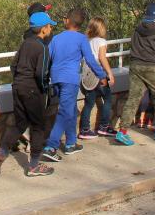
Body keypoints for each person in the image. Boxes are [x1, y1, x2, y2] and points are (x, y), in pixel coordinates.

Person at [0, 11, 56, 177]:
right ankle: (34, 166)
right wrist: (44, 89)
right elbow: (41, 74)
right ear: (43, 29)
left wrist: (19, 82)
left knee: (20, 123)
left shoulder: (25, 44)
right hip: (33, 90)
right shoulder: (42, 48)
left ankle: (2, 151)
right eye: (50, 26)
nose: (51, 28)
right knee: (38, 126)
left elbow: (13, 66)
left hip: (18, 87)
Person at [41, 9, 106, 161]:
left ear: (67, 21)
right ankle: (51, 146)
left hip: (56, 79)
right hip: (70, 79)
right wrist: (102, 75)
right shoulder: (81, 39)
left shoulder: (56, 38)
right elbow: (90, 59)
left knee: (69, 110)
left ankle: (71, 143)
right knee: (64, 112)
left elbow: (47, 58)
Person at [116, 3, 155, 146]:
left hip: (135, 66)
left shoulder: (137, 29)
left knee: (133, 99)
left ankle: (122, 131)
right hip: (151, 67)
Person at [78, 17, 117, 139]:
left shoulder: (86, 41)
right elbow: (102, 58)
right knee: (108, 99)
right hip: (98, 74)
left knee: (89, 103)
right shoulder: (101, 41)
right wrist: (109, 74)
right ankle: (104, 127)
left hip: (87, 75)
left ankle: (84, 130)